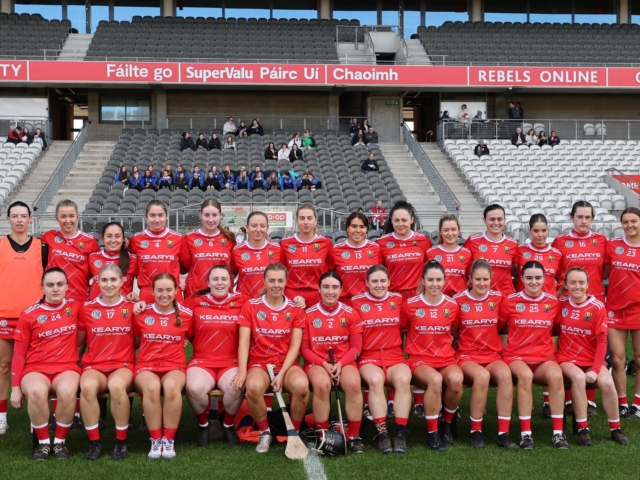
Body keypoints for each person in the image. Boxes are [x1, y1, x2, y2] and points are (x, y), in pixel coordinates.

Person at [236, 263, 308, 453]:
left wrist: (282, 374)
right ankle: (265, 431)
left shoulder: (295, 309)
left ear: (286, 282)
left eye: (280, 281)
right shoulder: (251, 306)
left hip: (286, 364)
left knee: (302, 387)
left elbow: (295, 346)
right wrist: (243, 371)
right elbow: (243, 342)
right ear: (264, 281)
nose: (276, 285)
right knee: (252, 388)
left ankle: (294, 431)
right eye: (272, 280)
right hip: (259, 364)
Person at [10, 268, 81, 460]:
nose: (55, 289)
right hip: (35, 368)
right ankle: (42, 444)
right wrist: (15, 388)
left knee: (67, 391)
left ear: (67, 286)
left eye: (60, 284)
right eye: (50, 285)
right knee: (36, 391)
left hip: (67, 367)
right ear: (42, 287)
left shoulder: (76, 307)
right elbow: (18, 353)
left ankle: (59, 443)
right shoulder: (29, 314)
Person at [556, 268, 629, 445]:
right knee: (579, 378)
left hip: (591, 359)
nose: (577, 286)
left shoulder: (597, 307)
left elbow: (602, 342)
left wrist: (596, 370)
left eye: (581, 282)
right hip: (567, 358)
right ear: (566, 285)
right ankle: (583, 429)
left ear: (588, 285)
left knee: (607, 382)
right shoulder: (561, 304)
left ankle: (615, 428)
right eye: (572, 282)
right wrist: (558, 292)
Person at [502, 261, 568, 450]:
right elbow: (498, 328)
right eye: (529, 278)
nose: (533, 282)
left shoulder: (553, 302)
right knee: (525, 376)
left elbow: (556, 330)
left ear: (544, 279)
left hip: (543, 357)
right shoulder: (510, 301)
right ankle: (526, 434)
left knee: (556, 376)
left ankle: (557, 433)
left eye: (538, 278)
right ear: (521, 278)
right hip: (517, 357)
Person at [454, 259, 518, 450]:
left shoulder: (499, 299)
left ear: (492, 278)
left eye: (485, 279)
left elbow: (502, 324)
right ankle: (476, 431)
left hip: (492, 355)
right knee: (482, 376)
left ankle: (503, 433)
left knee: (505, 375)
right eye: (477, 279)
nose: (481, 283)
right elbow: (453, 329)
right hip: (467, 355)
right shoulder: (458, 300)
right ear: (470, 279)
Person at [401, 261, 464, 451]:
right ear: (423, 281)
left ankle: (446, 422)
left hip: (445, 358)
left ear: (445, 281)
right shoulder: (410, 305)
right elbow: (403, 329)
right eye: (430, 280)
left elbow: (454, 330)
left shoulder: (453, 305)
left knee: (456, 379)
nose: (434, 284)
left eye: (438, 279)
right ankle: (432, 433)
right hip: (419, 359)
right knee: (435, 380)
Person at [301, 271, 365, 453]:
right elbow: (304, 349)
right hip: (318, 363)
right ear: (318, 289)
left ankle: (354, 435)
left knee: (353, 383)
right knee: (321, 384)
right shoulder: (309, 314)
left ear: (341, 290)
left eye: (335, 287)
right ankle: (323, 435)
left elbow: (356, 348)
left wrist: (340, 363)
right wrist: (324, 364)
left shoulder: (351, 313)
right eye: (326, 287)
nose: (330, 291)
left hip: (343, 362)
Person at [184, 265, 247, 447]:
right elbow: (170, 311)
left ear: (231, 282)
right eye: (215, 279)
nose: (220, 283)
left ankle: (227, 425)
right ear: (208, 282)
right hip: (202, 361)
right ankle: (204, 425)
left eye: (224, 279)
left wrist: (298, 301)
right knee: (194, 388)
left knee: (235, 388)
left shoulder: (243, 301)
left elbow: (266, 306)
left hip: (231, 362)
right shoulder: (194, 302)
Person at [78, 265, 136, 460]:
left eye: (113, 280)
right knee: (86, 387)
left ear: (122, 282)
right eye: (104, 280)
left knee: (117, 386)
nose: (109, 284)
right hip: (94, 364)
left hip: (123, 364)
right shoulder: (87, 308)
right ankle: (94, 442)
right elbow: (80, 340)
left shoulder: (132, 307)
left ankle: (121, 441)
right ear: (97, 282)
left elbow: (137, 340)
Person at [133, 273, 193, 459]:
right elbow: (134, 340)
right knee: (151, 388)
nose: (164, 294)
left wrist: (186, 340)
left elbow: (195, 335)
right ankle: (156, 439)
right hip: (146, 365)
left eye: (169, 290)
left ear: (176, 290)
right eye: (159, 290)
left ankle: (169, 440)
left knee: (172, 387)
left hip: (174, 365)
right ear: (152, 291)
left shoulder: (187, 314)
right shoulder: (142, 312)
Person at [352, 265, 411, 454]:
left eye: (383, 281)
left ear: (389, 282)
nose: (379, 285)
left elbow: (412, 324)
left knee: (403, 380)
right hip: (369, 357)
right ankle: (382, 433)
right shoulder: (356, 302)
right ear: (367, 283)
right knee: (375, 381)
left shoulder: (398, 300)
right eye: (375, 281)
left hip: (394, 355)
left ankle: (400, 432)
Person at [0, 202, 47, 436]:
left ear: (30, 219)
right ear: (8, 219)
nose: (19, 220)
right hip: (4, 315)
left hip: (34, 318)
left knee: (34, 368)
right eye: (15, 216)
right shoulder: (0, 246)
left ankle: (34, 414)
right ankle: (1, 417)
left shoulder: (42, 247)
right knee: (3, 366)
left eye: (23, 216)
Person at [604, 207, 640, 419]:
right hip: (616, 309)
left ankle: (638, 403)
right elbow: (605, 273)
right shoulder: (613, 246)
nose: (630, 226)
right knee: (617, 360)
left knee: (639, 357)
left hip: (638, 309)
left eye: (634, 221)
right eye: (626, 222)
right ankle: (622, 401)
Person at [41, 199, 100, 301]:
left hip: (79, 297)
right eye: (63, 216)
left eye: (71, 216)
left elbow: (96, 270)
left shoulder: (90, 241)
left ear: (78, 216)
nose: (68, 220)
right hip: (53, 298)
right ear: (56, 218)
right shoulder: (48, 236)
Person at [129, 200, 183, 303]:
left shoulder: (178, 238)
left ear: (166, 215)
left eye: (161, 215)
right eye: (152, 215)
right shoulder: (136, 239)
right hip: (147, 292)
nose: (157, 220)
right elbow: (132, 267)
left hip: (172, 292)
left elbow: (185, 266)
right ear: (146, 216)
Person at [552, 201, 607, 303]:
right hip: (567, 298)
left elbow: (605, 270)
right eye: (580, 217)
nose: (584, 221)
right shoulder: (560, 241)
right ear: (572, 217)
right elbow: (556, 272)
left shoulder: (602, 240)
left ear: (592, 219)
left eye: (587, 217)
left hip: (595, 297)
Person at [378, 201, 432, 299]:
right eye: (396, 220)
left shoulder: (424, 241)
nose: (400, 224)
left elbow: (429, 270)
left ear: (412, 220)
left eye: (404, 220)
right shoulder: (381, 243)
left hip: (418, 296)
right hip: (392, 297)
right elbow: (378, 272)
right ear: (391, 220)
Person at [280, 204, 333, 306]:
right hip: (293, 294)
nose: (305, 222)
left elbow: (331, 269)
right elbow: (282, 270)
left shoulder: (326, 243)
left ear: (315, 221)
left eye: (309, 218)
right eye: (302, 218)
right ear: (297, 221)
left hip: (318, 293)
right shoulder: (285, 243)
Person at [464, 204, 518, 297]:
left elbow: (516, 272)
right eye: (492, 219)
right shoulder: (473, 241)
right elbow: (465, 272)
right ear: (484, 220)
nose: (496, 223)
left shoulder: (512, 244)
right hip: (480, 298)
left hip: (505, 297)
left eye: (500, 219)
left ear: (505, 220)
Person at [329, 212, 381, 305]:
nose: (358, 230)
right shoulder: (336, 250)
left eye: (362, 227)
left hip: (370, 302)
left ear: (366, 229)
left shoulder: (376, 248)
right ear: (347, 228)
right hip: (344, 302)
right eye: (354, 226)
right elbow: (329, 277)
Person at [232, 212, 282, 297]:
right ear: (247, 227)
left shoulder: (277, 249)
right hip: (244, 303)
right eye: (254, 225)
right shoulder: (237, 250)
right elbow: (230, 277)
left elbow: (283, 277)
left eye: (262, 226)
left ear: (267, 228)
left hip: (269, 302)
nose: (258, 229)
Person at [88, 222, 139, 301]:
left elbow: (145, 281)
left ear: (123, 239)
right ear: (102, 238)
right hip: (96, 309)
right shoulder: (92, 257)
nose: (113, 240)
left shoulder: (133, 259)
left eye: (117, 236)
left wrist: (134, 295)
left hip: (122, 309)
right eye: (109, 236)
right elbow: (82, 280)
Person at [426, 213, 472, 297]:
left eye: (453, 229)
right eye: (446, 230)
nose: (450, 233)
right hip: (438, 302)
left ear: (458, 230)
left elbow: (470, 280)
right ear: (440, 231)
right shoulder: (430, 253)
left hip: (460, 302)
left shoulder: (467, 254)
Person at [516, 214, 562, 294]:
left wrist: (554, 298)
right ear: (529, 230)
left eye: (544, 230)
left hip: (547, 304)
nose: (540, 235)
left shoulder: (557, 254)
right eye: (536, 231)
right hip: (523, 302)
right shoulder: (520, 250)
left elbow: (561, 281)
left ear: (548, 230)